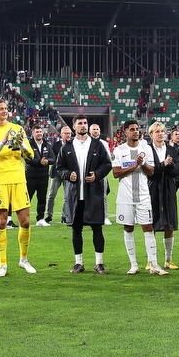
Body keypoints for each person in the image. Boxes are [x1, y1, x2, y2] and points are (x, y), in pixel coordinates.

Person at [0, 97, 37, 277]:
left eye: (6, 108)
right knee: (2, 222)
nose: (5, 111)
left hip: (18, 179)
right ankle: (2, 264)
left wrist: (21, 144)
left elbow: (30, 155)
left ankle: (24, 259)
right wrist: (3, 143)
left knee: (25, 221)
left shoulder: (18, 129)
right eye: (1, 109)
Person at [57, 115, 112, 274]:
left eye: (85, 123)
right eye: (79, 123)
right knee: (76, 229)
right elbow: (59, 168)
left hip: (93, 193)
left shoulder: (97, 145)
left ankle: (99, 263)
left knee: (97, 228)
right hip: (75, 196)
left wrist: (97, 174)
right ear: (74, 127)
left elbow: (107, 164)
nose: (83, 126)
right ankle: (78, 263)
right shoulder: (67, 147)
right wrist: (68, 175)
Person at [113, 120, 165, 275]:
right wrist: (134, 166)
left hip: (143, 195)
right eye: (132, 129)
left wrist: (142, 164)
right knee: (128, 228)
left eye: (137, 129)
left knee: (148, 228)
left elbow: (151, 172)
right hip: (125, 197)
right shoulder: (119, 150)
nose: (136, 131)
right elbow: (116, 173)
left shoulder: (146, 149)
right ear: (125, 132)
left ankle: (154, 265)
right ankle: (133, 265)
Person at [147, 122, 179, 270]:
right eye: (157, 131)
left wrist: (168, 165)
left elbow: (178, 171)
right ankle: (151, 260)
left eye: (162, 131)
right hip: (152, 188)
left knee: (169, 223)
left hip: (169, 188)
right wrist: (164, 164)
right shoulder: (147, 150)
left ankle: (168, 260)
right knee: (152, 223)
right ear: (151, 135)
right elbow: (151, 171)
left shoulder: (172, 150)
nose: (160, 133)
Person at [25, 126, 54, 226]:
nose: (39, 133)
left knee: (42, 198)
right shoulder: (28, 144)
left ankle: (40, 218)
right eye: (37, 132)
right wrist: (39, 162)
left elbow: (53, 158)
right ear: (33, 134)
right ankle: (24, 218)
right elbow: (27, 159)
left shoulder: (47, 144)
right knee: (27, 198)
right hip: (31, 175)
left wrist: (47, 161)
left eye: (40, 131)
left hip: (43, 176)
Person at [43, 126, 72, 225]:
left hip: (67, 173)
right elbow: (52, 158)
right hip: (57, 173)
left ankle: (64, 216)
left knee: (67, 196)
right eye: (66, 133)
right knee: (51, 195)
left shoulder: (73, 145)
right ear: (61, 134)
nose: (68, 135)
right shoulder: (56, 145)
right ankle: (49, 215)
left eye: (69, 133)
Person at [90, 123, 113, 225]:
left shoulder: (104, 143)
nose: (95, 131)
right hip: (89, 173)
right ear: (90, 131)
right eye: (93, 129)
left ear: (99, 131)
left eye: (97, 129)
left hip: (101, 173)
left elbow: (107, 159)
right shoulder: (87, 142)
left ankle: (105, 216)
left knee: (103, 195)